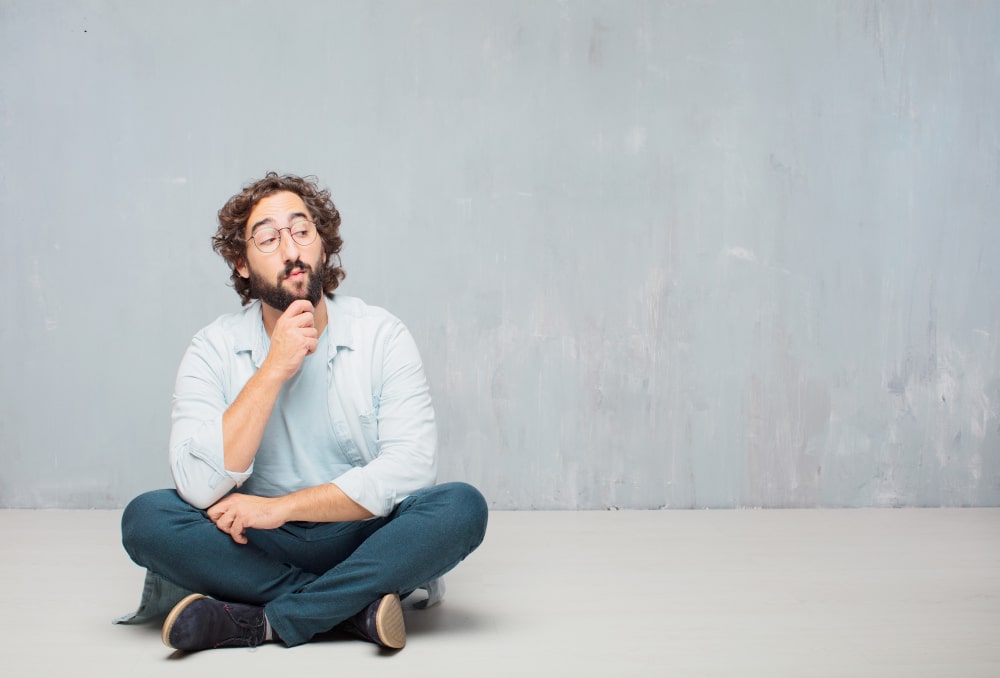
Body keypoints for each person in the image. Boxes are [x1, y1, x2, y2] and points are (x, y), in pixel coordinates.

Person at [119, 172, 488, 652]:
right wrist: (273, 368)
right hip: (252, 544)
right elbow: (195, 483)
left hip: (363, 535)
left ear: (323, 245)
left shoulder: (382, 334)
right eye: (268, 238)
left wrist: (280, 508)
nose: (290, 250)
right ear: (242, 263)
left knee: (461, 507)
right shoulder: (212, 347)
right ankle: (354, 610)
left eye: (302, 231)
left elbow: (412, 469)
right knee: (146, 518)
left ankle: (258, 622)